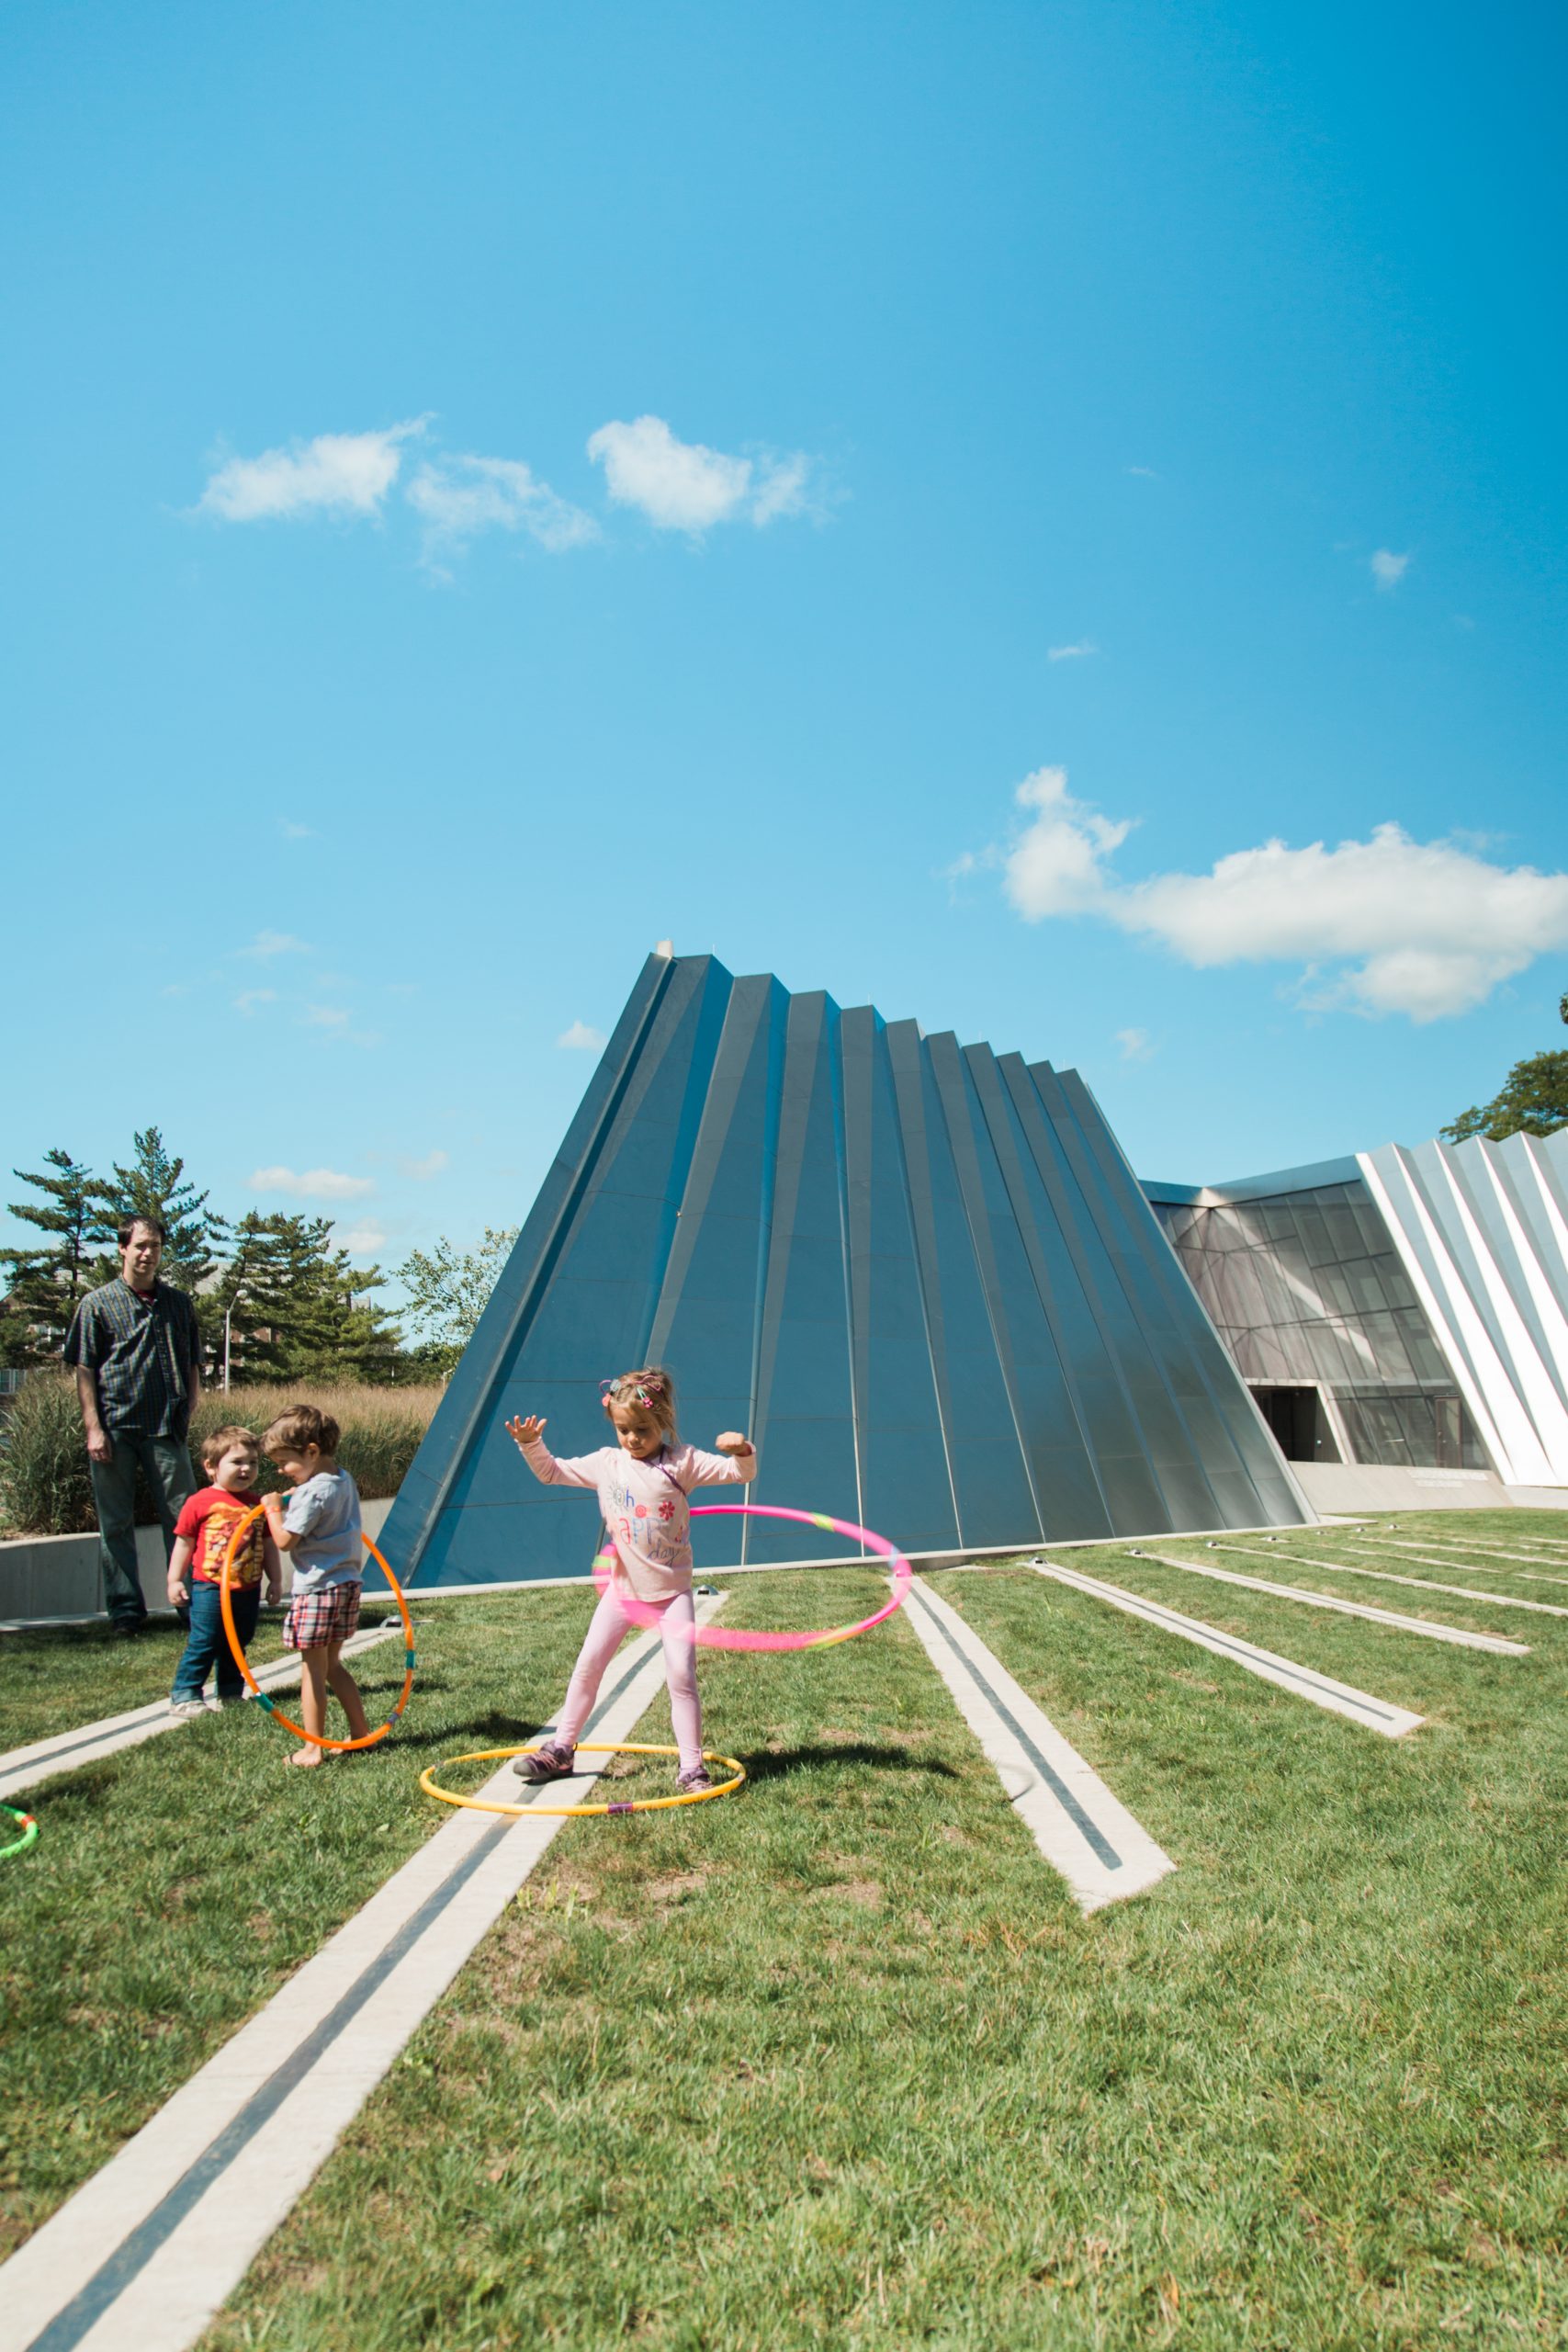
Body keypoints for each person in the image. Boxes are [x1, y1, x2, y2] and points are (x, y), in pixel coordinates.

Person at [505, 1364, 757, 1793]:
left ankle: (692, 1768)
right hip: (623, 1592)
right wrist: (532, 1444)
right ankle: (562, 1749)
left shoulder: (684, 1462)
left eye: (642, 1429)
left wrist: (742, 1450)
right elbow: (552, 1472)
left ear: (663, 1421)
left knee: (681, 1676)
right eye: (624, 1430)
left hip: (671, 1594)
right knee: (587, 1667)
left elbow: (741, 1475)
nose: (632, 1439)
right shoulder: (607, 1464)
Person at [63, 1214, 203, 1635]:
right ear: (122, 1248)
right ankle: (126, 1612)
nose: (147, 1254)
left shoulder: (178, 1303)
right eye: (140, 1245)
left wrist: (191, 1404)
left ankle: (193, 1605)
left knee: (184, 1520)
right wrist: (93, 1427)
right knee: (116, 1524)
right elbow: (84, 1370)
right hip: (115, 1428)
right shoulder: (96, 1304)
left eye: (155, 1246)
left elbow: (194, 1360)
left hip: (166, 1428)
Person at [261, 1405, 370, 1769]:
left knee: (312, 1670)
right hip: (347, 1584)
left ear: (311, 1452)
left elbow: (285, 1541)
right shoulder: (344, 1478)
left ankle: (312, 1748)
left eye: (284, 1462)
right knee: (333, 1665)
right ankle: (360, 1734)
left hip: (319, 1589)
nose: (281, 1471)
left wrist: (273, 1509)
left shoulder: (311, 1493)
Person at [167, 1424, 282, 1718]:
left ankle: (230, 1691)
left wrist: (276, 1580)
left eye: (253, 1463)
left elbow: (269, 1545)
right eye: (237, 1462)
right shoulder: (199, 1502)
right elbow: (183, 1543)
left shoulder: (258, 1505)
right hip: (210, 1586)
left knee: (238, 1639)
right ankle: (185, 1694)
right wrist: (174, 1580)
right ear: (210, 1467)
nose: (246, 1469)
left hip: (247, 1587)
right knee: (205, 1639)